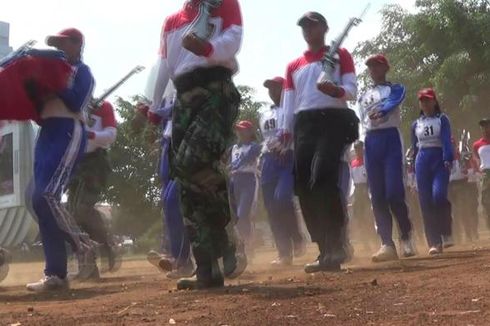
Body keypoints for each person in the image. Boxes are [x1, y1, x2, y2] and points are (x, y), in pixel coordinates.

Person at [149, 0, 245, 290]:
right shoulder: (172, 21)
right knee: (186, 179)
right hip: (183, 97)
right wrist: (154, 105)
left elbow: (234, 39)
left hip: (215, 89)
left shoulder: (223, 3)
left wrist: (207, 49)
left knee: (195, 163)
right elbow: (165, 65)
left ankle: (227, 241)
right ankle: (206, 267)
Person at [279, 12, 359, 273]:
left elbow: (352, 88)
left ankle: (337, 244)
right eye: (304, 26)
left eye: (313, 25)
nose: (308, 30)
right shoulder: (294, 65)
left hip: (333, 119)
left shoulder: (340, 54)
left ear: (324, 28)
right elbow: (289, 101)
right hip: (305, 124)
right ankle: (324, 248)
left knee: (323, 176)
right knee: (303, 185)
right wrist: (284, 131)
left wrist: (335, 91)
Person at [26, 28, 95, 291]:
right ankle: (56, 275)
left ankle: (82, 245)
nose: (58, 48)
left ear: (78, 45)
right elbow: (39, 114)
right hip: (47, 133)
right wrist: (34, 90)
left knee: (47, 195)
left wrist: (54, 83)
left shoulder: (82, 72)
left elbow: (77, 101)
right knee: (38, 200)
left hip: (68, 131)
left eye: (62, 43)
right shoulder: (49, 75)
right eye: (55, 44)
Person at [358, 54, 415, 262]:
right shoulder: (363, 95)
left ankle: (406, 234)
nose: (373, 69)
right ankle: (386, 243)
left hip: (391, 139)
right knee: (377, 196)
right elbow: (362, 119)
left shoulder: (395, 88)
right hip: (371, 142)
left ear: (385, 68)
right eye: (370, 66)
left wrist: (381, 111)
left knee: (394, 192)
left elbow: (395, 100)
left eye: (377, 65)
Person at [138, 90, 194, 279]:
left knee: (175, 203)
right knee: (170, 205)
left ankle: (185, 258)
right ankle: (177, 256)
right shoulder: (167, 88)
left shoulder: (188, 77)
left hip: (189, 144)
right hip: (169, 145)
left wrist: (156, 111)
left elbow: (181, 107)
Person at [66, 100, 119, 280]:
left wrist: (88, 134)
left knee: (81, 209)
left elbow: (110, 136)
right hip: (74, 165)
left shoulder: (103, 107)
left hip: (95, 163)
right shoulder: (67, 107)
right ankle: (89, 264)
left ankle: (106, 245)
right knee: (71, 215)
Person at [260, 77, 306, 267]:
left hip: (288, 158)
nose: (272, 91)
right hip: (268, 161)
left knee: (282, 198)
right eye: (269, 88)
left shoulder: (293, 111)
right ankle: (284, 253)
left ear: (285, 89)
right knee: (271, 208)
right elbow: (265, 139)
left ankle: (296, 236)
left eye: (276, 88)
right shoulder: (263, 115)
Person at [411, 88, 453, 255]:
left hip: (439, 160)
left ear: (434, 101)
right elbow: (414, 148)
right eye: (422, 101)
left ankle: (446, 230)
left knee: (439, 195)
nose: (425, 104)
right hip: (422, 161)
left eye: (428, 100)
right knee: (425, 202)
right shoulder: (416, 124)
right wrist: (411, 173)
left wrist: (448, 157)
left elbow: (446, 139)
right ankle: (434, 242)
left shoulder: (442, 119)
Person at [229, 120, 261, 257]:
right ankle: (242, 246)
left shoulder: (254, 147)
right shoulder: (234, 148)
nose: (239, 133)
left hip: (248, 180)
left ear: (249, 132)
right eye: (238, 130)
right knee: (235, 217)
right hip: (234, 182)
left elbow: (249, 157)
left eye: (243, 130)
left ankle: (248, 244)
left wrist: (233, 167)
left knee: (243, 215)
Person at [349, 141, 378, 253]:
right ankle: (365, 242)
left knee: (369, 217)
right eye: (356, 149)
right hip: (357, 191)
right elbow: (352, 181)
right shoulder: (353, 163)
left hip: (366, 189)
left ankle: (375, 241)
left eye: (360, 148)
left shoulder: (367, 162)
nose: (358, 151)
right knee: (359, 217)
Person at [448, 139, 479, 243]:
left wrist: (466, 171)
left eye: (452, 144)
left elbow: (472, 169)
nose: (451, 147)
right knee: (453, 212)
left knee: (464, 210)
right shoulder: (444, 157)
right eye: (449, 144)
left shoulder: (463, 156)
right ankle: (457, 236)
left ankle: (469, 233)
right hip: (449, 186)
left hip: (462, 185)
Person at [473, 118, 490, 231]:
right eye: (483, 126)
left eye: (487, 126)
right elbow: (476, 160)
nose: (485, 128)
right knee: (485, 201)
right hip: (486, 174)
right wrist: (479, 171)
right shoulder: (477, 145)